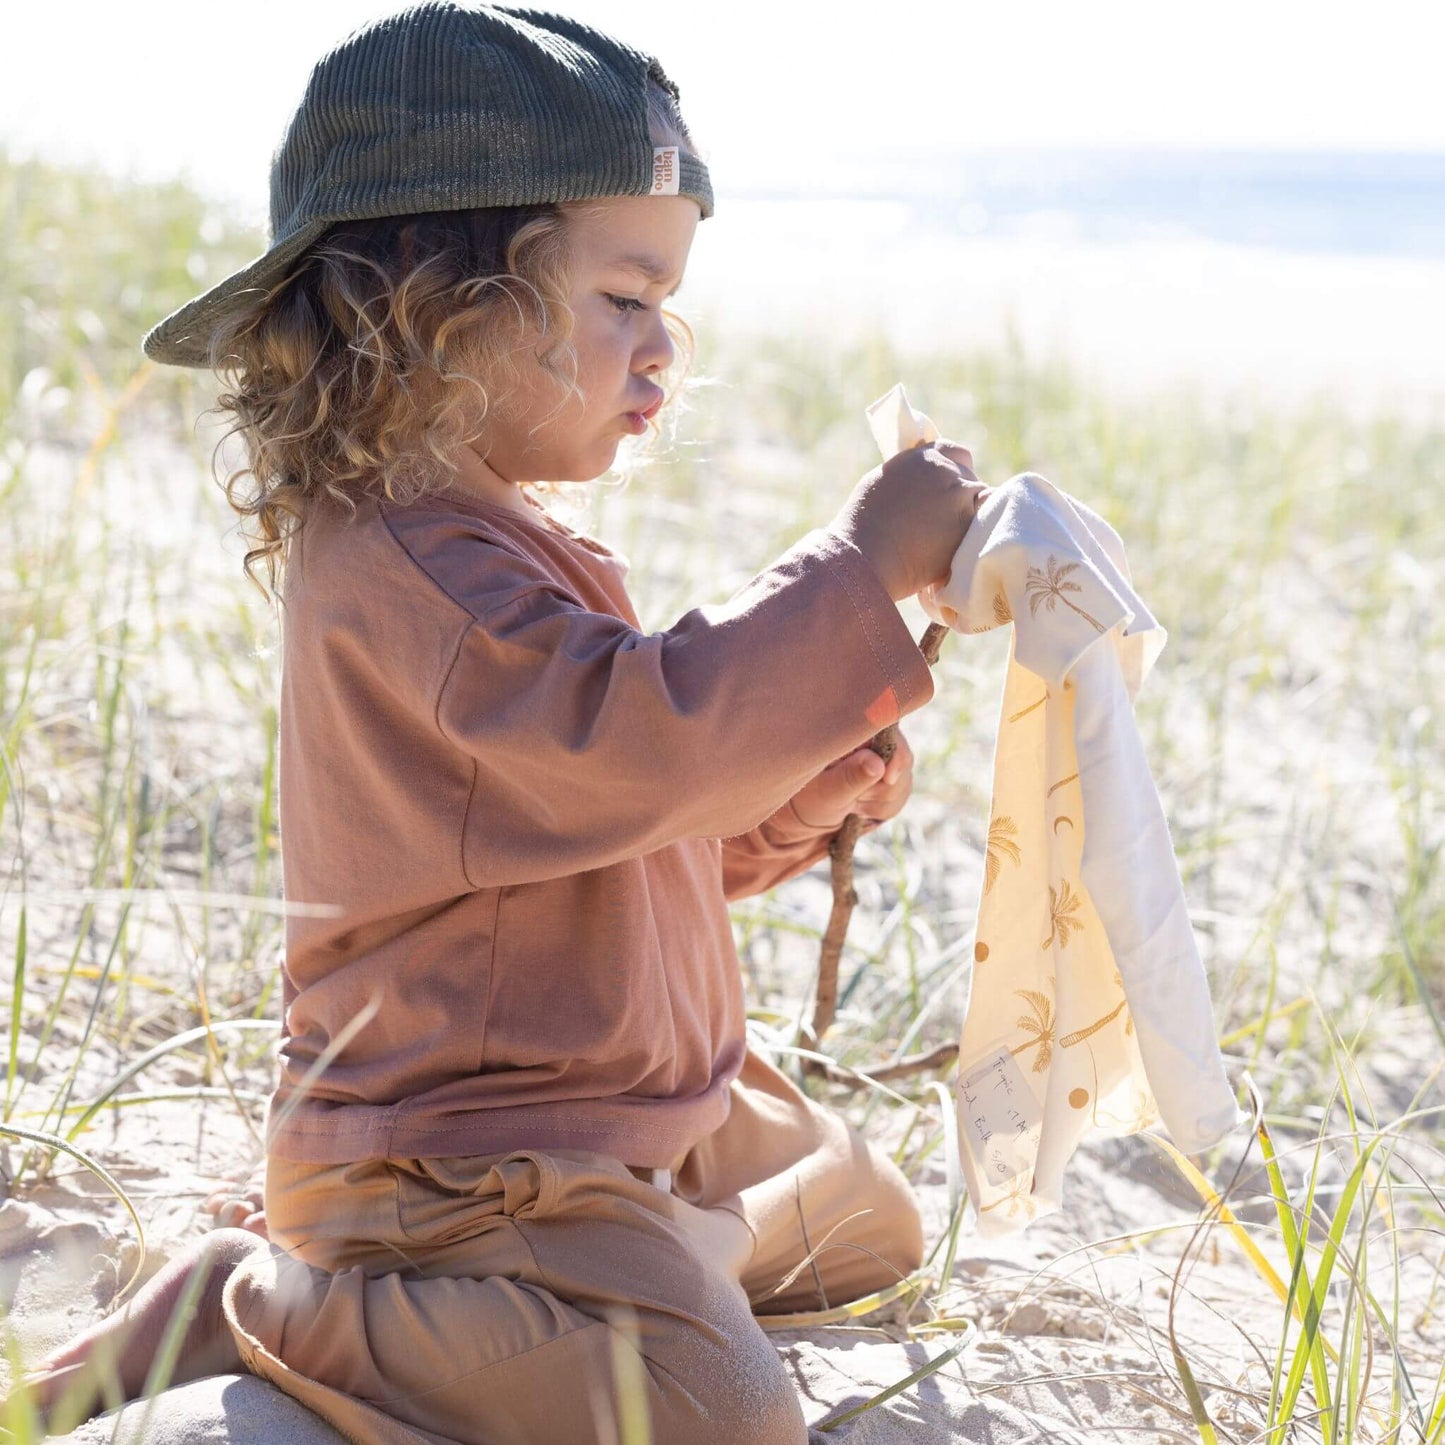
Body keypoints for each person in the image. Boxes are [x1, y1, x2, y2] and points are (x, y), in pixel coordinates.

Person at [11, 5, 987, 1441]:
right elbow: (637, 745)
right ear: (437, 306)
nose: (665, 347)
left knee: (865, 1216)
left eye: (665, 304)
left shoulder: (500, 545)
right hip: (462, 1168)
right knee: (717, 1410)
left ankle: (676, 1248)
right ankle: (266, 1297)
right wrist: (857, 564)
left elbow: (612, 844)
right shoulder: (408, 564)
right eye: (622, 299)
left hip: (621, 1119)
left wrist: (791, 799)